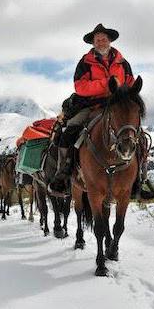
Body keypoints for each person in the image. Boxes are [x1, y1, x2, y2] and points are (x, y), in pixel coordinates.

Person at [49, 23, 135, 194]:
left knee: (135, 133)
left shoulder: (123, 62)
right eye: (97, 40)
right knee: (70, 131)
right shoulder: (85, 62)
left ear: (109, 40)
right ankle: (63, 173)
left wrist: (124, 92)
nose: (101, 42)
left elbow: (130, 82)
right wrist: (107, 84)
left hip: (117, 105)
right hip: (91, 105)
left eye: (104, 39)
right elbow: (80, 87)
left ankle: (139, 177)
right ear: (93, 43)